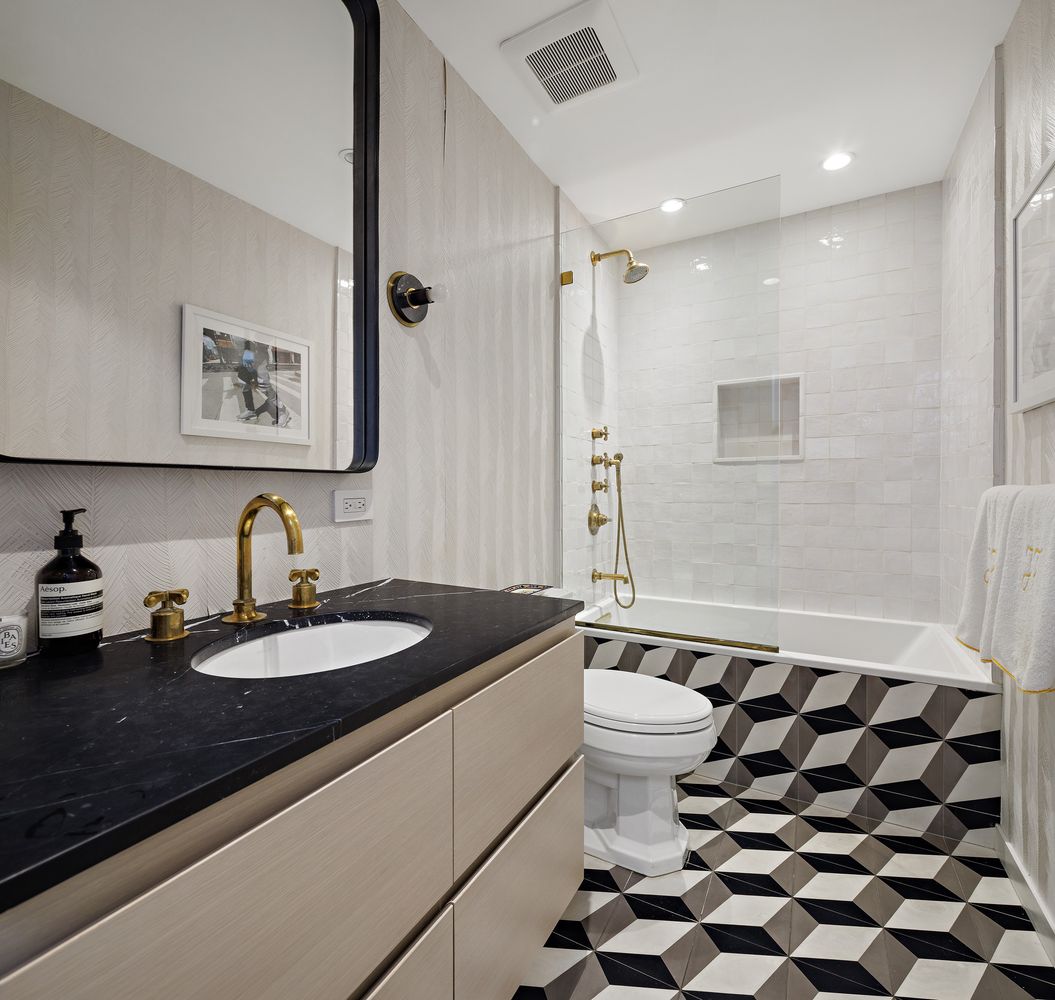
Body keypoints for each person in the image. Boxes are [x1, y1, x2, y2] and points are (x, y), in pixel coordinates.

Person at [236, 346, 291, 427]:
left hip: (258, 355)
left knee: (263, 386)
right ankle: (250, 410)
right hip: (246, 354)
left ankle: (283, 411)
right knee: (243, 380)